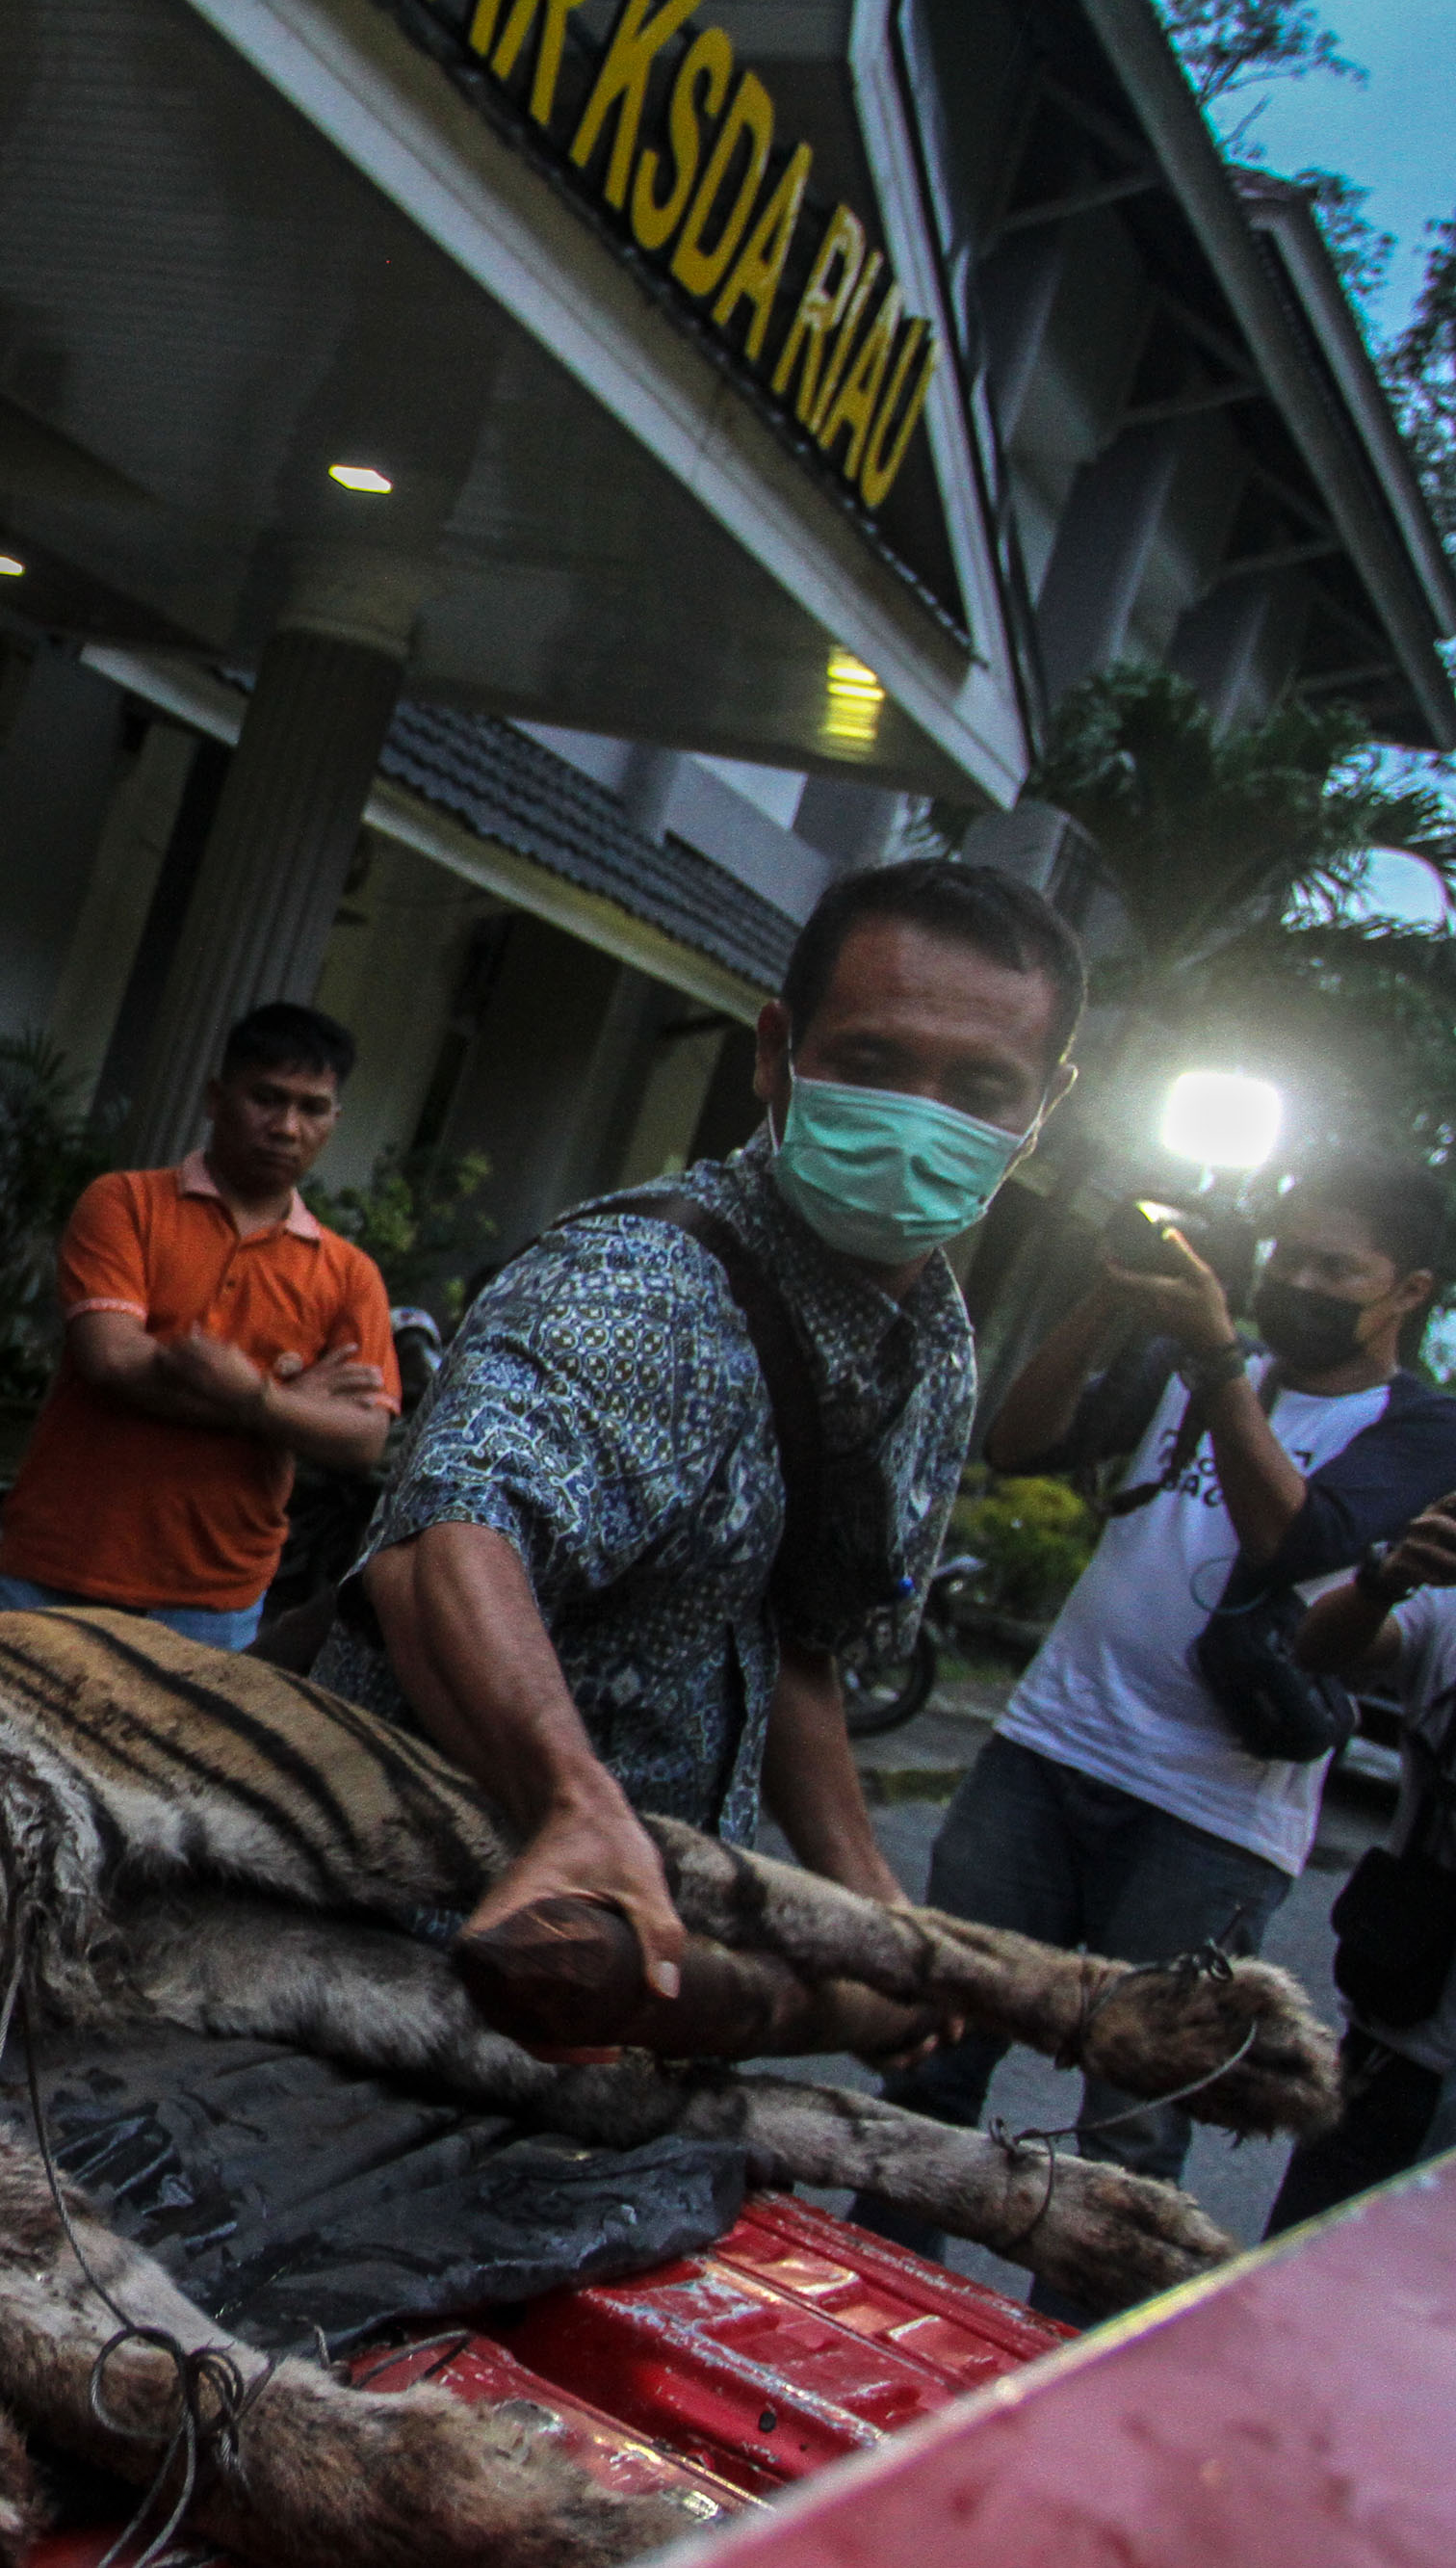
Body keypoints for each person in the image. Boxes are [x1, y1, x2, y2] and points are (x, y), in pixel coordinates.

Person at [318, 861, 1088, 2007]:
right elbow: (440, 1547)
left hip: (621, 1986)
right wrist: (573, 1803)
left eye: (978, 1085)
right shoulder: (640, 1288)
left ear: (1041, 1114)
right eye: (873, 1064)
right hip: (387, 1957)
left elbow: (789, 1647)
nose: (917, 1121)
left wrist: (874, 1910)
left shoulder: (928, 1345)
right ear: (777, 1052)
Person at [857, 1153, 1454, 2286]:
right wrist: (1109, 1295)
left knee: (1129, 2130)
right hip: (1045, 1750)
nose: (1301, 1281)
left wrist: (1223, 1356)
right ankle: (869, 2304)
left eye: (1338, 1268)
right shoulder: (1194, 1364)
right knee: (934, 2054)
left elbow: (1302, 1541)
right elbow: (1021, 1442)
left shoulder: (1420, 1427)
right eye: (1289, 1255)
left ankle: (1058, 2384)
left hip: (1212, 1817)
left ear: (1407, 1292)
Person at [0, 1003, 400, 1651]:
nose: (287, 1127)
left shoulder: (349, 1275)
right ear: (215, 1096)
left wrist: (249, 1392)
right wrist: (287, 1404)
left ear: (334, 1122)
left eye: (312, 1108)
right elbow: (113, 1360)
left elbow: (365, 1439)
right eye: (267, 1098)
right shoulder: (125, 1203)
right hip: (59, 1561)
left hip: (216, 1597)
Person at [1268, 1491, 1456, 2236]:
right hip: (1396, 2045)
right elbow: (1320, 1648)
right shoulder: (1445, 1608)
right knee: (1296, 2291)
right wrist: (1386, 1578)